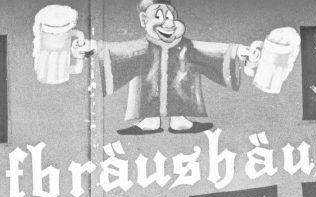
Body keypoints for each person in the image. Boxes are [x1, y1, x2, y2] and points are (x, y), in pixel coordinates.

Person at [74, 1, 261, 134]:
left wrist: (238, 51)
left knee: (183, 81)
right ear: (144, 20)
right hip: (147, 91)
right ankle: (149, 121)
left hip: (182, 88)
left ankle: (180, 121)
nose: (167, 23)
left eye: (170, 17)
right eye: (159, 17)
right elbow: (119, 51)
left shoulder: (187, 47)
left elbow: (212, 51)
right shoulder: (142, 47)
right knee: (145, 88)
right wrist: (94, 46)